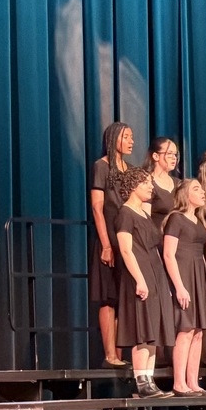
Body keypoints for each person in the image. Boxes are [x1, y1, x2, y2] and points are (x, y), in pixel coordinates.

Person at [114, 167, 175, 398]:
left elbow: (154, 249)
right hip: (139, 274)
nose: (151, 187)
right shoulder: (125, 213)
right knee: (141, 328)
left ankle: (149, 380)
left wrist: (163, 283)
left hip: (155, 273)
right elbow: (126, 250)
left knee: (152, 329)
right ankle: (141, 382)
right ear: (133, 186)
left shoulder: (145, 214)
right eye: (146, 183)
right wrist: (140, 280)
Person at [162, 179, 206, 395]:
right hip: (183, 276)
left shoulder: (200, 221)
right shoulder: (176, 219)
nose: (202, 192)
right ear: (184, 194)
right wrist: (179, 287)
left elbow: (201, 256)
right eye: (196, 189)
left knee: (198, 331)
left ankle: (192, 382)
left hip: (198, 277)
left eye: (202, 189)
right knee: (185, 330)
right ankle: (179, 382)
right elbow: (168, 254)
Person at [89, 121, 133, 369]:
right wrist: (106, 245)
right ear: (114, 138)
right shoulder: (101, 166)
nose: (131, 141)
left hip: (127, 241)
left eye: (132, 137)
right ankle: (110, 354)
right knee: (108, 298)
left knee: (122, 298)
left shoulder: (130, 170)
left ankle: (119, 352)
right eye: (127, 137)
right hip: (110, 239)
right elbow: (97, 207)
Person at [145, 137, 180, 230]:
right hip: (157, 240)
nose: (174, 158)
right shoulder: (147, 182)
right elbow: (145, 220)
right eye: (169, 154)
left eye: (175, 154)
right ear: (156, 156)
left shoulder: (178, 183)